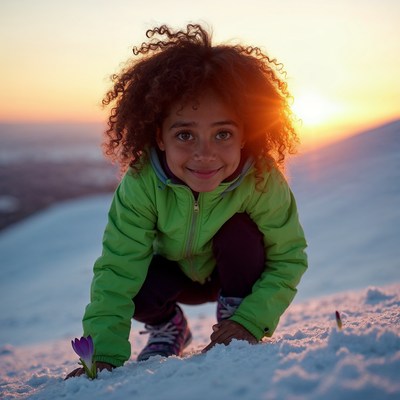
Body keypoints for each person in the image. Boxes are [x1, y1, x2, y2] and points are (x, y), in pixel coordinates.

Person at [66, 23, 307, 378]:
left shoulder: (259, 179)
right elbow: (117, 270)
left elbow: (287, 256)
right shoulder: (143, 183)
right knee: (135, 279)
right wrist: (100, 356)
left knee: (240, 234)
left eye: (223, 133)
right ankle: (168, 326)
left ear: (246, 135)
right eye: (185, 134)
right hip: (172, 277)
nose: (205, 154)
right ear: (158, 137)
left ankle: (232, 319)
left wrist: (249, 322)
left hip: (234, 277)